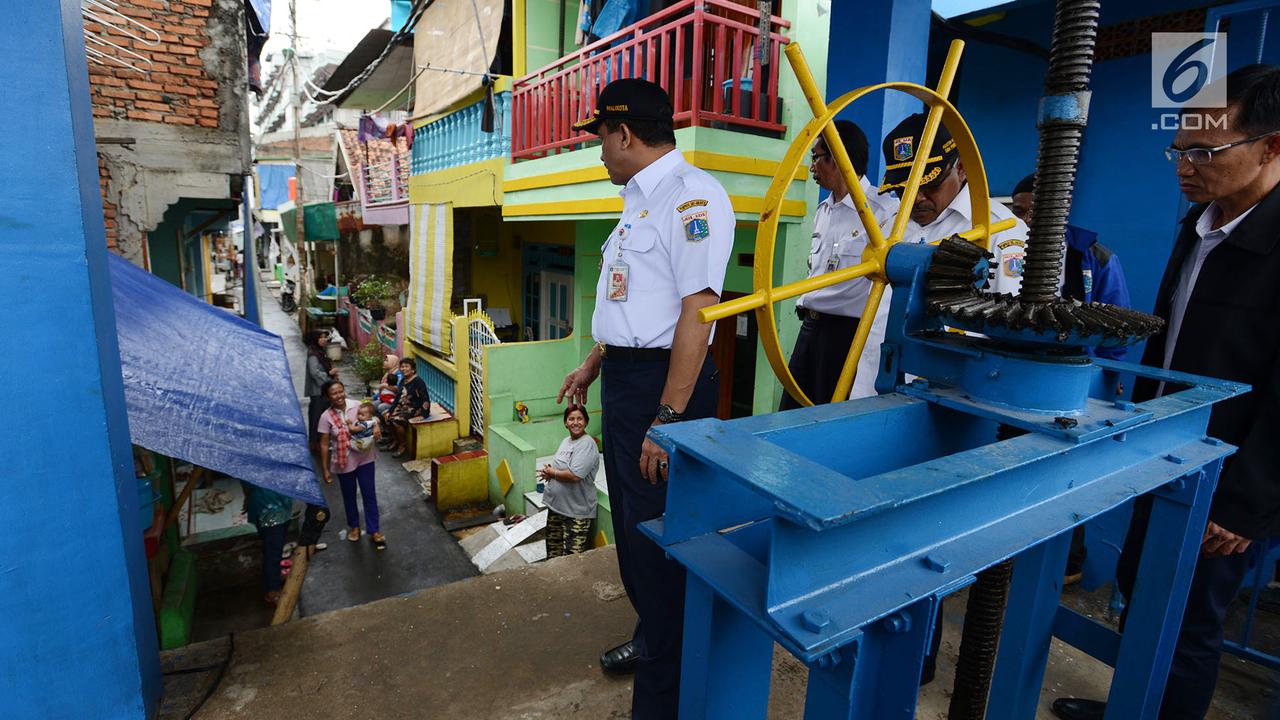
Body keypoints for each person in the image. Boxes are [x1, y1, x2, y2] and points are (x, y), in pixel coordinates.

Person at [1052, 64, 1280, 720]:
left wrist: (1244, 505)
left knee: (1189, 622)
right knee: (1141, 589)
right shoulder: (1200, 224)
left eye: (1205, 152)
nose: (1184, 165)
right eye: (1178, 149)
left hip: (1227, 478)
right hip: (1168, 444)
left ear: (1271, 146)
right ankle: (1132, 708)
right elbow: (1172, 339)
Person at [556, 78, 732, 718]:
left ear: (624, 134)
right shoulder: (638, 198)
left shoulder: (693, 199)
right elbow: (637, 304)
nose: (598, 152)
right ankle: (653, 636)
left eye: (600, 138)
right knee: (633, 534)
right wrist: (592, 363)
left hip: (666, 389)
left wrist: (668, 418)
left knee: (661, 546)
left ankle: (665, 695)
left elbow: (696, 313)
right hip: (630, 381)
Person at [783, 120, 900, 408]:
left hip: (847, 335)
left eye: (816, 158)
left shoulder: (883, 211)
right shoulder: (824, 210)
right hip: (811, 328)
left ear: (837, 159)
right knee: (792, 410)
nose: (812, 167)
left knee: (828, 415)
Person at [878, 113, 1028, 295]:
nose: (916, 198)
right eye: (903, 190)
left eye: (929, 186)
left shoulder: (1000, 230)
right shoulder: (889, 227)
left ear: (962, 168)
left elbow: (1009, 309)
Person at [1010, 173, 1132, 358]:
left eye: (1038, 210)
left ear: (1065, 205)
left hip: (1074, 366)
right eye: (1019, 212)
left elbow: (1117, 326)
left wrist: (1105, 376)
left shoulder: (1098, 260)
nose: (1028, 220)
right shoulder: (1003, 251)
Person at [317, 380, 387, 550]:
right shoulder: (326, 417)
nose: (339, 395)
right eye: (334, 393)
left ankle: (374, 530)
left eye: (341, 391)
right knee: (349, 496)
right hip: (343, 461)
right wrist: (325, 469)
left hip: (365, 457)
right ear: (328, 396)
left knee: (369, 493)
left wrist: (376, 425)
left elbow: (373, 415)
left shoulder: (356, 405)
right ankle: (354, 527)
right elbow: (324, 444)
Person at [538, 404, 600, 558]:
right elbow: (562, 466)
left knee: (572, 561)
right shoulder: (566, 441)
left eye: (580, 418)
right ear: (565, 423)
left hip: (576, 514)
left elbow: (575, 475)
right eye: (571, 419)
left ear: (586, 422)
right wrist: (549, 472)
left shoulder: (587, 444)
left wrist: (553, 472)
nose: (575, 422)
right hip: (557, 508)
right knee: (553, 556)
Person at [240, 480, 294, 606]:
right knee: (273, 549)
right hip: (268, 507)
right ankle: (272, 590)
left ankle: (275, 575)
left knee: (275, 546)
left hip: (281, 502)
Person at [386, 358, 430, 459]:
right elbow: (398, 397)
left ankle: (402, 445)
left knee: (396, 421)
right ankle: (395, 440)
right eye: (402, 366)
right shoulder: (403, 380)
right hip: (403, 407)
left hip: (414, 409)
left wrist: (424, 414)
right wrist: (390, 410)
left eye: (406, 366)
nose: (403, 368)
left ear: (413, 370)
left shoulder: (418, 382)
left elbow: (425, 398)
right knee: (387, 416)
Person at [304, 329, 340, 446]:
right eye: (321, 337)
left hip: (321, 390)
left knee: (320, 416)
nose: (324, 339)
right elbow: (314, 372)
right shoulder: (313, 354)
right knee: (317, 417)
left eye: (325, 337)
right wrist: (329, 375)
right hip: (318, 391)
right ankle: (316, 442)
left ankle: (319, 441)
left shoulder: (319, 352)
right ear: (315, 340)